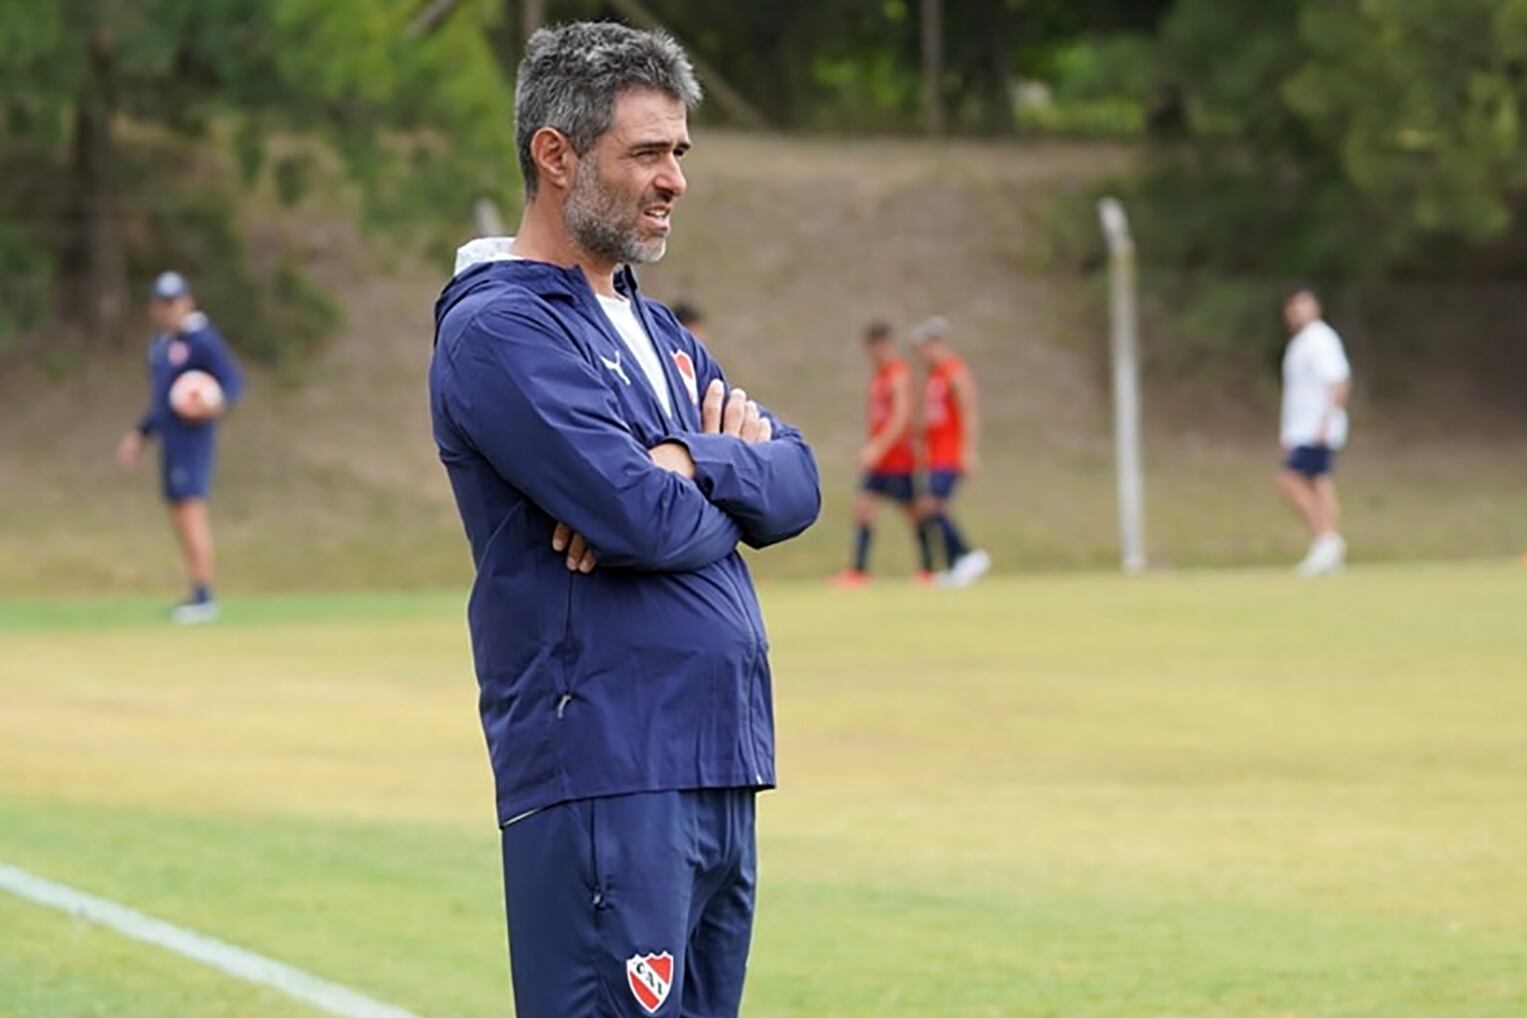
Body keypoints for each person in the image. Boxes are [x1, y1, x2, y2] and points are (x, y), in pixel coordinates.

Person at [428, 23, 820, 1018]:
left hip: (719, 759)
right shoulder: (500, 329)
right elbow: (643, 519)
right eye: (646, 153)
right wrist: (708, 491)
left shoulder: (655, 328)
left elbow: (801, 483)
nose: (674, 179)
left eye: (678, 153)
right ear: (554, 155)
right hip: (609, 762)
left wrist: (695, 459)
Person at [116, 271, 245, 623]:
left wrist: (212, 405)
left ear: (188, 301)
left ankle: (205, 596)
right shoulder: (160, 347)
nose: (169, 309)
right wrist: (140, 435)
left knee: (191, 511)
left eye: (175, 302)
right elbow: (161, 402)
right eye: (163, 303)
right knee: (178, 514)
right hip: (170, 442)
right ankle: (195, 590)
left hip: (193, 441)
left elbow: (233, 382)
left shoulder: (202, 339)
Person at [831, 321, 932, 586]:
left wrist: (878, 446)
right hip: (880, 462)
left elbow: (902, 415)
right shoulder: (880, 375)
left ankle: (929, 569)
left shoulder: (897, 374)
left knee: (913, 512)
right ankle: (858, 571)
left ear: (884, 345)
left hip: (897, 458)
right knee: (863, 507)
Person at [1276, 287, 1352, 576]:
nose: (1296, 313)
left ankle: (1327, 540)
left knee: (1289, 480)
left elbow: (1338, 380)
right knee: (1320, 483)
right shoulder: (1300, 342)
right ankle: (1328, 545)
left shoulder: (1321, 339)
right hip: (1301, 428)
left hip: (1316, 428)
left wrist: (1326, 420)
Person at [913, 315, 990, 587]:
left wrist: (968, 450)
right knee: (934, 508)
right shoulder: (935, 376)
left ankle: (968, 555)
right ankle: (954, 562)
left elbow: (968, 410)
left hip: (950, 453)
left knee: (936, 506)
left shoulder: (954, 372)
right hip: (935, 455)